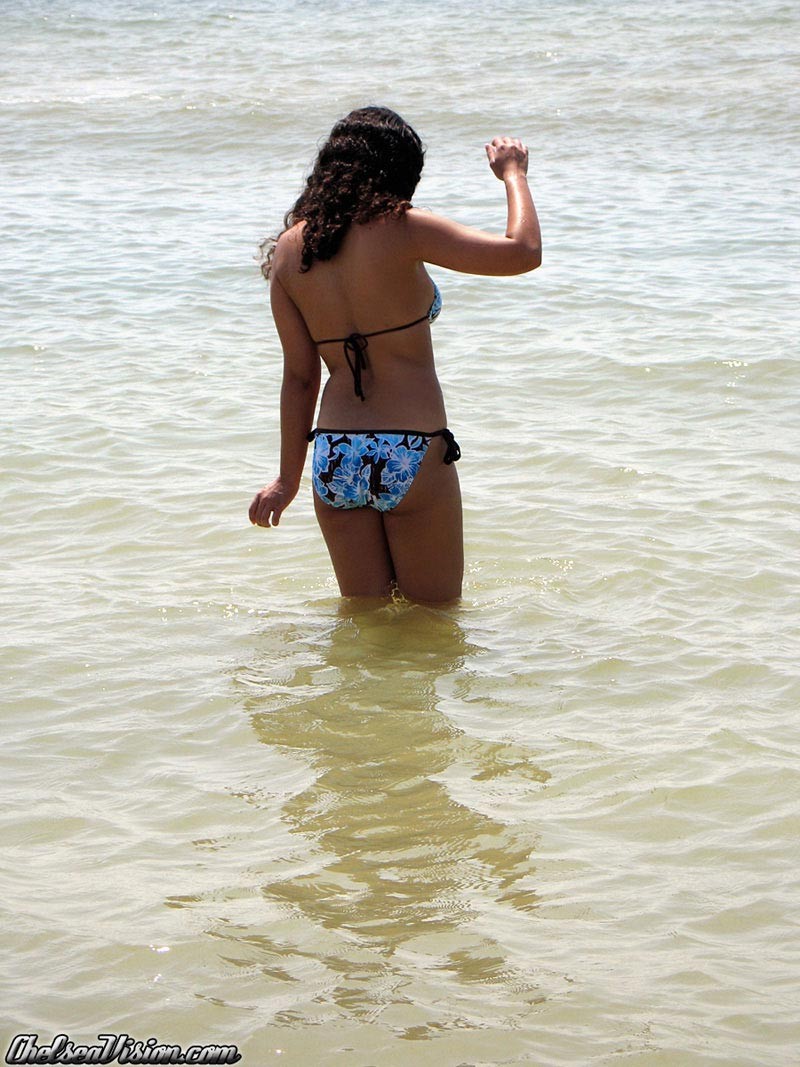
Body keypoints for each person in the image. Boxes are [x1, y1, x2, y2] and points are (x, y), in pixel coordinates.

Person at [249, 106, 541, 603]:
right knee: (435, 621)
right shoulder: (405, 226)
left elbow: (300, 378)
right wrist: (513, 174)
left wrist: (286, 479)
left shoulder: (289, 250)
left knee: (363, 623)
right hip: (412, 447)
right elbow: (522, 252)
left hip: (335, 455)